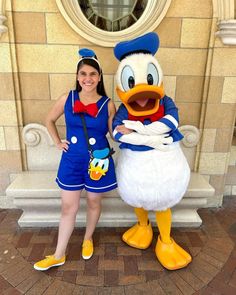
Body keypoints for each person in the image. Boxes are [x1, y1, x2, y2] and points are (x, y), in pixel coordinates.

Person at [34, 48, 117, 271]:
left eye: (92, 74)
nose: (87, 78)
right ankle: (59, 254)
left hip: (98, 161)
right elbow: (49, 120)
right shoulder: (66, 98)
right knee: (68, 207)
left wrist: (133, 131)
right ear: (77, 76)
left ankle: (88, 238)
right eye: (83, 74)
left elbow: (113, 132)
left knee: (93, 201)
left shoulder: (108, 104)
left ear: (99, 77)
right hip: (71, 161)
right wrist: (57, 142)